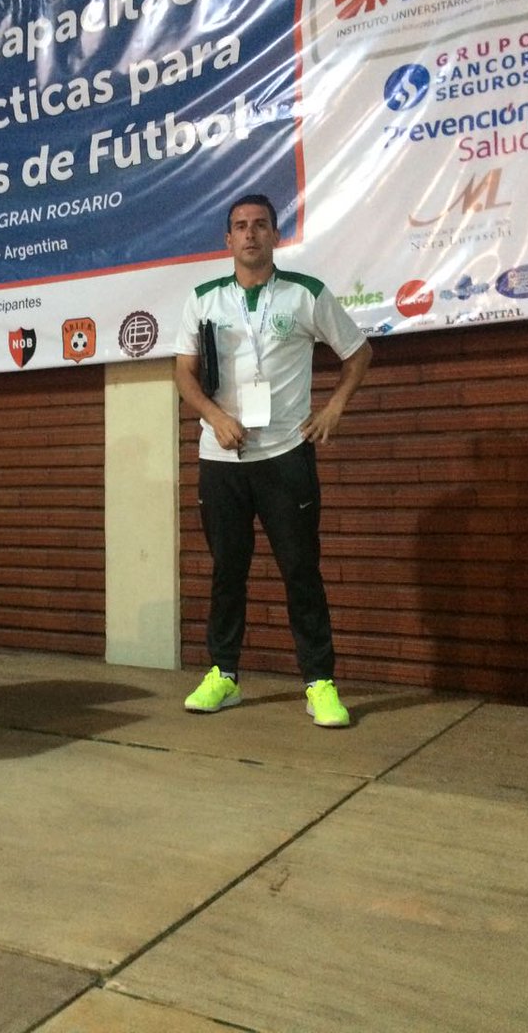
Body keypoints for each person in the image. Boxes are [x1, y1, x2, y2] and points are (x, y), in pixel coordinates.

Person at [174, 193, 372, 726]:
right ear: (228, 239)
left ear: (275, 235)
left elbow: (359, 353)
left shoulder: (306, 294)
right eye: (240, 226)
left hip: (285, 455)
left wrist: (334, 407)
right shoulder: (204, 299)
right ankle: (223, 675)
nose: (250, 233)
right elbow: (183, 373)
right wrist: (214, 416)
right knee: (227, 572)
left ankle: (319, 683)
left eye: (260, 224)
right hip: (221, 459)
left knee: (301, 571)